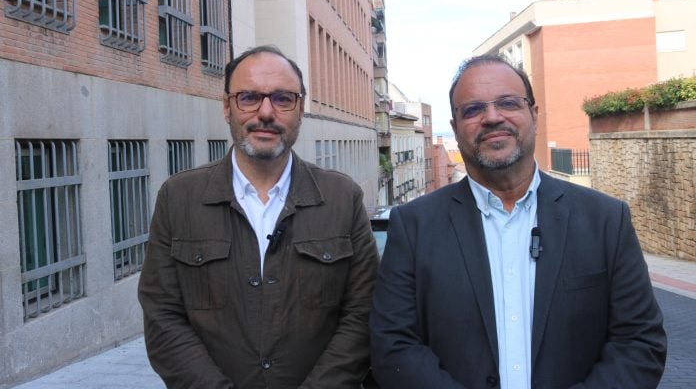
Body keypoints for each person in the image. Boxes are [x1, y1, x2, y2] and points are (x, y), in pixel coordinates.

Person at [369, 54, 667, 389]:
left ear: (534, 115)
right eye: (473, 109)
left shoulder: (606, 221)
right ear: (455, 129)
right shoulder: (414, 227)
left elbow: (640, 343)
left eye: (508, 103)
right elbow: (393, 347)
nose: (492, 117)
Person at [138, 45, 380, 388]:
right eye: (249, 97)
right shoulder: (179, 199)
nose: (266, 112)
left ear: (301, 109)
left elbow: (363, 314)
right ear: (227, 107)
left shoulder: (342, 198)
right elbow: (163, 316)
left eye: (283, 99)